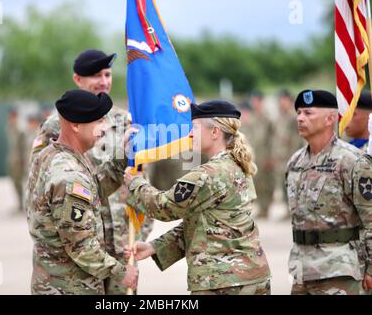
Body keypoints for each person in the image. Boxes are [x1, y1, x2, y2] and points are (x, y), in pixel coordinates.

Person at [30, 49, 153, 294]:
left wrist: (142, 227)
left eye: (108, 75)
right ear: (78, 79)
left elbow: (131, 178)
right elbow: (60, 197)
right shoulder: (58, 142)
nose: (104, 81)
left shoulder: (124, 120)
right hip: (76, 260)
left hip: (118, 240)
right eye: (97, 75)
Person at [123, 100, 271, 295]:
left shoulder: (208, 174)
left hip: (223, 283)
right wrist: (154, 247)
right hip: (249, 277)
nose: (190, 134)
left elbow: (163, 208)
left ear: (215, 132)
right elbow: (204, 224)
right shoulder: (236, 165)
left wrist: (135, 182)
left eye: (195, 127)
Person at [286, 89, 372, 295]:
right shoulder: (295, 162)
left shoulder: (352, 161)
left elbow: (370, 217)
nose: (300, 118)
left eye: (308, 113)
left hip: (340, 270)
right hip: (302, 269)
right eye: (298, 113)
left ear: (330, 118)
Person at [271, 90, 303, 219]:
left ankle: (295, 210)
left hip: (292, 156)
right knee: (283, 184)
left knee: (293, 184)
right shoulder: (279, 117)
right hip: (280, 157)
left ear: (290, 101)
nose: (281, 103)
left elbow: (298, 138)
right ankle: (288, 209)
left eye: (284, 100)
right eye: (280, 100)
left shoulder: (294, 117)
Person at [248, 91, 275, 219]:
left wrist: (270, 156)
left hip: (265, 154)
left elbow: (272, 139)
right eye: (253, 101)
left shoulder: (268, 118)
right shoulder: (253, 117)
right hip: (254, 154)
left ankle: (265, 208)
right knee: (257, 182)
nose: (254, 103)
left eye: (256, 101)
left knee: (266, 183)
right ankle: (261, 208)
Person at [6, 107, 25, 213]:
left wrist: (22, 159)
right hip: (12, 160)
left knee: (21, 182)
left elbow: (23, 146)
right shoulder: (10, 127)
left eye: (13, 116)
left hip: (19, 161)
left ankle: (22, 204)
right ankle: (19, 203)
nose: (11, 118)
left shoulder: (20, 129)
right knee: (14, 182)